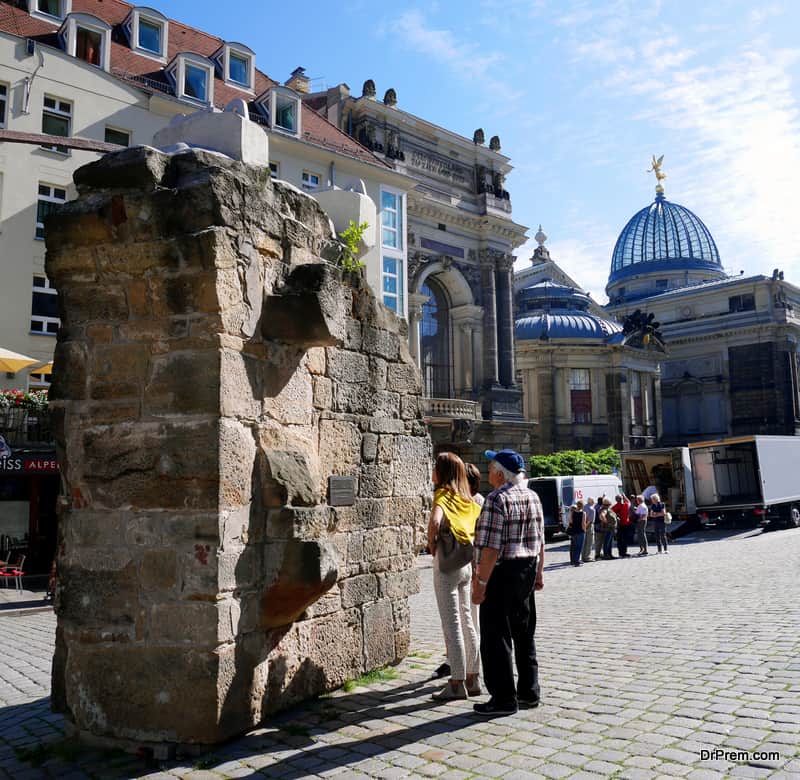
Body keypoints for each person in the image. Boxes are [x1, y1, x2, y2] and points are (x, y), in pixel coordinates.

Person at [472, 449, 544, 716]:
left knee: (495, 636)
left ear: (500, 474)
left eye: (491, 468)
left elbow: (490, 548)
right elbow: (540, 541)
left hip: (501, 573)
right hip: (526, 569)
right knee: (524, 633)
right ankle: (529, 692)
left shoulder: (496, 499)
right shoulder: (533, 496)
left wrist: (480, 582)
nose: (487, 472)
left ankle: (503, 698)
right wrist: (539, 573)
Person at [427, 452, 482, 700]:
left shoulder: (443, 495)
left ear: (443, 472)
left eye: (435, 467)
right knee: (468, 620)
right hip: (466, 565)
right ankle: (473, 678)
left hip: (447, 565)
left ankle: (456, 683)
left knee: (452, 624)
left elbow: (435, 522)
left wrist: (431, 544)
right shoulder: (468, 499)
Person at [568, 501, 587, 566]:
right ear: (582, 506)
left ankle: (573, 560)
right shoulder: (583, 513)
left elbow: (570, 521)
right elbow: (583, 524)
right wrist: (584, 530)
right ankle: (577, 561)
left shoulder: (573, 513)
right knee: (579, 547)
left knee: (574, 546)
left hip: (573, 531)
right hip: (580, 531)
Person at [581, 497, 596, 562]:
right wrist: (586, 526)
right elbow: (590, 520)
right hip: (589, 526)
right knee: (589, 542)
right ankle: (587, 557)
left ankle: (583, 556)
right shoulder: (592, 509)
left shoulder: (584, 507)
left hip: (582, 525)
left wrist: (583, 527)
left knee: (584, 542)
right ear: (592, 502)